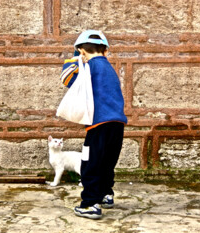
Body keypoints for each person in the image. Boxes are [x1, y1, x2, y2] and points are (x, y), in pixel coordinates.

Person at [60, 30, 127, 219]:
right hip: (117, 124)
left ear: (82, 51)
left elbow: (66, 78)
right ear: (105, 51)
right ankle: (106, 194)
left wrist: (76, 57)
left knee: (91, 164)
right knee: (107, 162)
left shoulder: (88, 68)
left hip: (98, 126)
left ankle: (90, 204)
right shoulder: (109, 68)